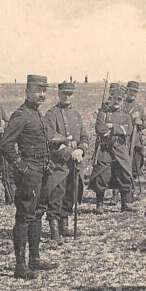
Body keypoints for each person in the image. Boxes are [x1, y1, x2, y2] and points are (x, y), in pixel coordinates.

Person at [0, 74, 58, 279]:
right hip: (29, 170)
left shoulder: (37, 114)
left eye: (44, 91)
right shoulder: (21, 115)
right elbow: (5, 145)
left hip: (42, 169)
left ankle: (35, 259)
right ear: (27, 92)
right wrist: (20, 166)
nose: (42, 95)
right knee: (25, 215)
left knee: (39, 212)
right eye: (37, 91)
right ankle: (20, 266)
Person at [44, 81, 89, 245]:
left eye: (70, 94)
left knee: (71, 194)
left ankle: (64, 226)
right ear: (58, 94)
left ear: (74, 95)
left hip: (75, 163)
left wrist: (81, 150)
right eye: (64, 94)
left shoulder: (76, 115)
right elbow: (50, 138)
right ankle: (54, 231)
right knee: (57, 195)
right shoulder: (51, 114)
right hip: (59, 163)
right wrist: (69, 152)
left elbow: (84, 136)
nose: (67, 96)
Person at [89, 83, 135, 213]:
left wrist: (112, 127)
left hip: (120, 148)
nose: (117, 102)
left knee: (125, 174)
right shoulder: (103, 113)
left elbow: (129, 130)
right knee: (101, 175)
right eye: (115, 98)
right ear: (111, 98)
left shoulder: (126, 116)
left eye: (120, 99)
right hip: (105, 149)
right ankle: (99, 204)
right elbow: (100, 129)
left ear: (123, 100)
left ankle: (125, 204)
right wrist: (118, 130)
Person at [121, 80, 146, 197]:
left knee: (135, 166)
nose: (133, 93)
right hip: (122, 141)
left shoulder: (139, 107)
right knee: (119, 167)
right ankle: (116, 193)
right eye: (131, 91)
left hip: (135, 141)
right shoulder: (120, 105)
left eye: (135, 92)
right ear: (126, 90)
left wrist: (141, 122)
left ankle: (130, 191)